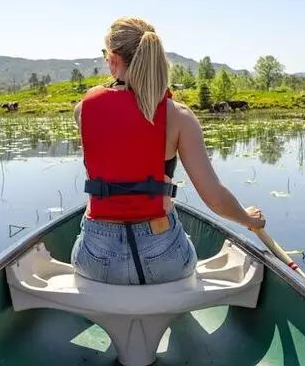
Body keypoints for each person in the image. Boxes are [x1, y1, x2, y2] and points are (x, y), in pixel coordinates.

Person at [70, 16, 265, 286]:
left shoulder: (83, 111)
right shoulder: (179, 116)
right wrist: (248, 219)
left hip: (96, 255)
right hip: (162, 253)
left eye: (106, 55)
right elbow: (215, 197)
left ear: (114, 60)